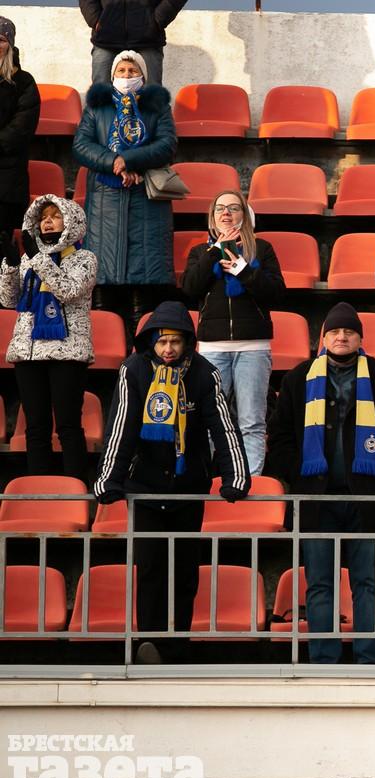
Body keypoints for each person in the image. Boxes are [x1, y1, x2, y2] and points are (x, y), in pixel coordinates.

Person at [93, 300, 249, 664]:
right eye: (162, 342)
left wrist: (235, 476)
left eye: (175, 342)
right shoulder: (133, 370)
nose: (168, 349)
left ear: (187, 343)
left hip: (188, 487)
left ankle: (177, 648)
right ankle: (148, 645)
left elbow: (223, 427)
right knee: (150, 568)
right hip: (145, 487)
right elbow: (121, 425)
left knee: (184, 573)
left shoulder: (205, 373)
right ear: (151, 341)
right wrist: (109, 478)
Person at [267, 303, 375, 664]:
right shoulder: (298, 379)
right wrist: (300, 473)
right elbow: (280, 438)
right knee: (320, 585)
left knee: (368, 585)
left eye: (349, 331)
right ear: (323, 338)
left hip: (368, 501)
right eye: (335, 331)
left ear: (360, 338)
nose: (342, 337)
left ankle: (370, 662)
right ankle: (323, 662)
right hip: (316, 500)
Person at [181, 190, 284, 476]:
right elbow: (190, 287)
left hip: (253, 347)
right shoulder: (200, 252)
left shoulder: (261, 249)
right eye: (220, 208)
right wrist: (216, 251)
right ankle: (212, 478)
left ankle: (252, 479)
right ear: (212, 218)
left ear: (245, 216)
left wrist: (243, 269)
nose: (226, 213)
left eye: (233, 208)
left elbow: (276, 293)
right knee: (210, 418)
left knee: (251, 420)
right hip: (213, 347)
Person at [73, 50, 176, 325]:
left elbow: (167, 145)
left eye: (133, 71)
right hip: (105, 203)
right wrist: (114, 162)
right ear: (113, 75)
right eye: (121, 71)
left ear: (143, 75)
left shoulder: (158, 106)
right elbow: (81, 145)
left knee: (143, 294)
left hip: (146, 201)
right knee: (103, 292)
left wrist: (129, 160)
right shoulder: (97, 106)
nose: (127, 75)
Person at [0, 195, 97, 481]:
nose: (48, 222)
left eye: (55, 216)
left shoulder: (84, 259)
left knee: (68, 426)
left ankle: (76, 491)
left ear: (71, 223)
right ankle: (39, 494)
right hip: (29, 352)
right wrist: (10, 266)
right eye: (43, 218)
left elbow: (68, 291)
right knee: (36, 428)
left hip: (67, 353)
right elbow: (9, 300)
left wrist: (38, 259)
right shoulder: (29, 259)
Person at [78, 0, 184, 87]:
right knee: (100, 92)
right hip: (106, 36)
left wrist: (158, 19)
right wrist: (95, 19)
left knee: (152, 93)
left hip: (148, 39)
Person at [0, 17, 40, 243]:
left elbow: (22, 127)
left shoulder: (24, 82)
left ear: (10, 44)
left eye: (1, 40)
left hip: (7, 181)